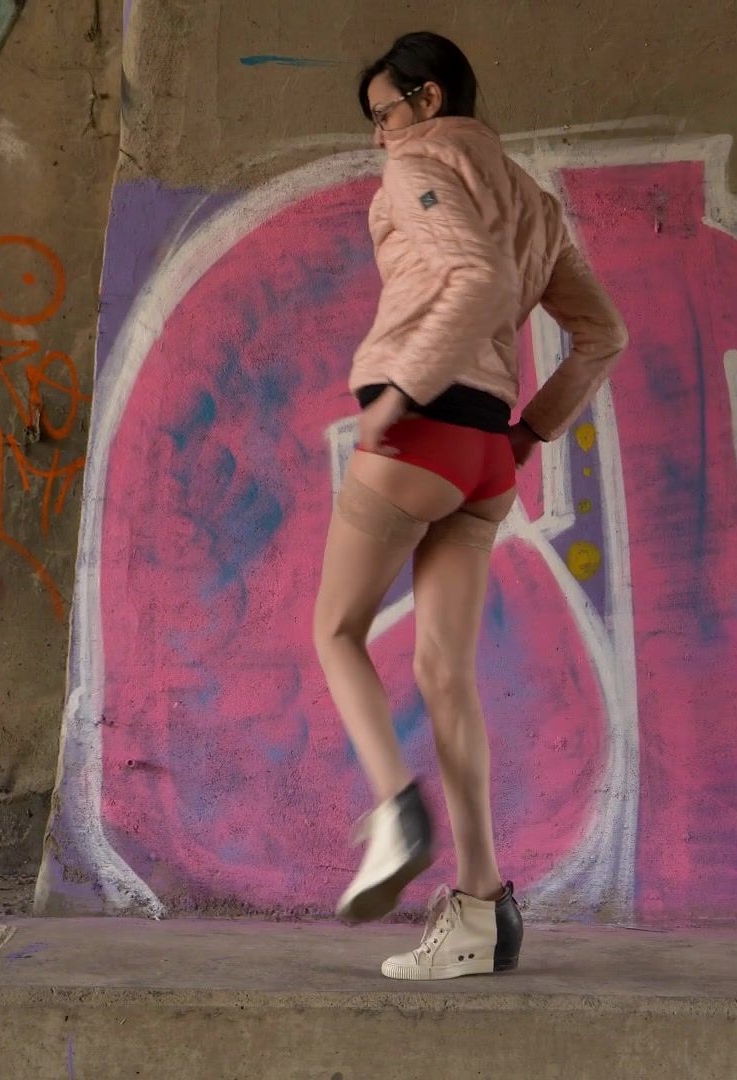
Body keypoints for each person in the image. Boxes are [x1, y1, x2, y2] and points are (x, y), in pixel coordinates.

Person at [313, 31, 628, 981]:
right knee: (445, 674)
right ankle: (484, 911)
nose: (380, 138)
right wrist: (532, 431)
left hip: (419, 434)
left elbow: (477, 276)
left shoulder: (419, 164)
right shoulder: (534, 202)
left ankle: (392, 810)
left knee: (336, 631)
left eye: (383, 113)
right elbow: (601, 335)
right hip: (487, 456)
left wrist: (400, 396)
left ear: (427, 98)